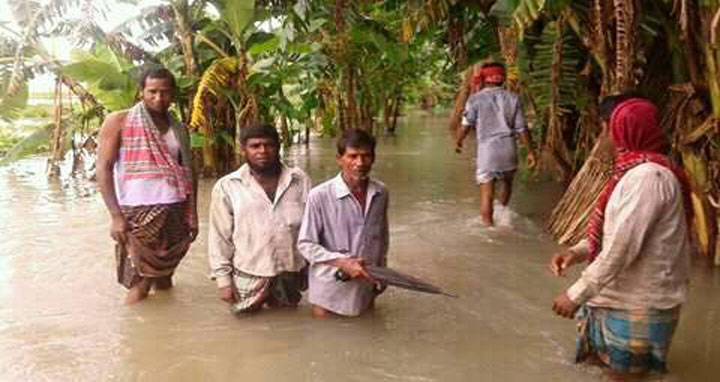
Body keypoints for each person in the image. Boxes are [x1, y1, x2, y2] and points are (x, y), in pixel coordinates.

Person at [549, 97, 692, 381]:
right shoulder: (634, 172)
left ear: (621, 132)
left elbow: (622, 247)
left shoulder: (647, 177)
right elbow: (617, 232)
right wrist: (576, 252)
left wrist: (576, 294)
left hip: (636, 303)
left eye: (606, 128)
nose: (602, 136)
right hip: (616, 298)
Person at [97, 67, 197, 305]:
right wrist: (116, 217)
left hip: (174, 209)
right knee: (139, 285)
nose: (158, 98)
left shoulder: (178, 128)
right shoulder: (118, 121)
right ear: (141, 92)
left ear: (173, 94)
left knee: (165, 279)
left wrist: (192, 214)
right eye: (152, 92)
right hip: (137, 212)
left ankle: (169, 332)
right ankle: (132, 336)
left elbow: (189, 172)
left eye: (165, 92)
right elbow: (103, 168)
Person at [207, 124, 312, 314]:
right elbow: (219, 236)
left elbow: (311, 227)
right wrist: (223, 281)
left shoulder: (299, 180)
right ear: (243, 149)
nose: (263, 151)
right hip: (248, 273)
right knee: (246, 332)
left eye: (268, 145)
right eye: (255, 146)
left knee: (288, 326)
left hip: (289, 272)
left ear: (278, 147)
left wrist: (312, 269)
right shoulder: (227, 186)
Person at [298, 129, 389, 318]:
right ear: (339, 159)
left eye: (366, 156)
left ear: (373, 158)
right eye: (352, 156)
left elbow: (381, 237)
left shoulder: (381, 192)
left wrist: (382, 271)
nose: (360, 163)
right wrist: (342, 262)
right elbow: (305, 245)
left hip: (366, 283)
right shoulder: (320, 195)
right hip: (330, 288)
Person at [455, 62, 537, 226]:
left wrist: (458, 142)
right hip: (508, 150)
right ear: (503, 78)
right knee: (507, 183)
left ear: (485, 79)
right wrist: (530, 152)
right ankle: (502, 214)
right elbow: (522, 128)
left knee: (487, 194)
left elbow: (466, 125)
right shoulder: (513, 98)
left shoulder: (475, 100)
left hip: (487, 152)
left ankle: (489, 227)